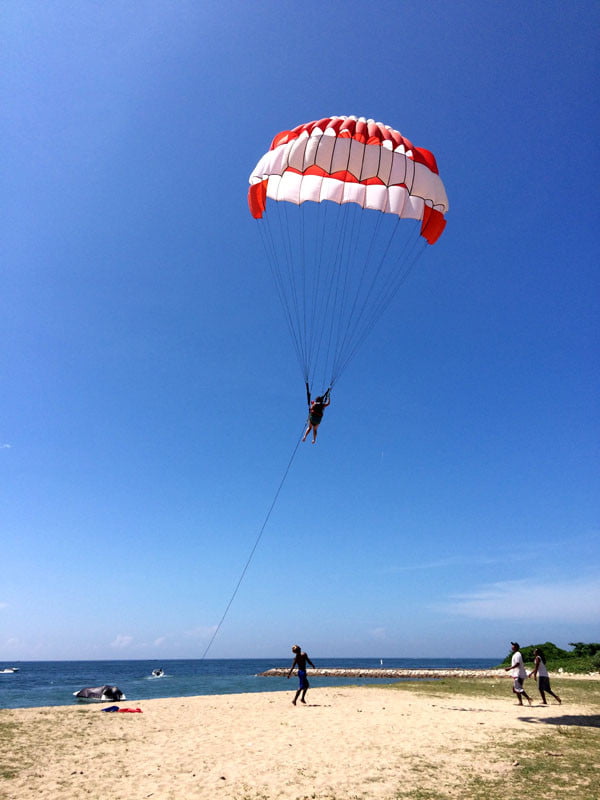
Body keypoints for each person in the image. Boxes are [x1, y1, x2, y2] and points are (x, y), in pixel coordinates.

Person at [504, 642, 533, 706]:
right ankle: (521, 702)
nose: (512, 647)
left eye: (513, 646)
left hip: (518, 674)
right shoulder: (516, 654)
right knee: (516, 689)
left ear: (516, 647)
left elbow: (517, 664)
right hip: (517, 674)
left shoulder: (517, 654)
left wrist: (509, 668)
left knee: (518, 688)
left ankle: (528, 698)